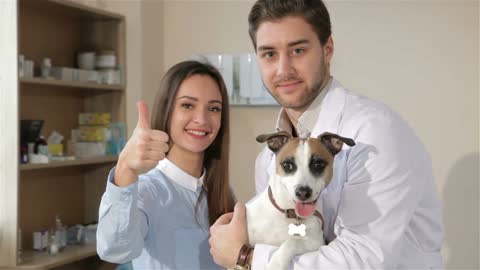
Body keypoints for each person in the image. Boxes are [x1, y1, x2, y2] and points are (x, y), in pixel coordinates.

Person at [209, 0, 444, 269]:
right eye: (269, 54)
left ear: (327, 49)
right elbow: (292, 233)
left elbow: (363, 259)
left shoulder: (375, 134)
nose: (284, 69)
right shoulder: (268, 160)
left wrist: (246, 258)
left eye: (297, 50)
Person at [97, 60, 235, 269]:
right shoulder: (148, 192)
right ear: (167, 110)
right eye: (188, 105)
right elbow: (115, 250)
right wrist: (125, 166)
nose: (202, 119)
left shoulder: (223, 192)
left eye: (214, 108)